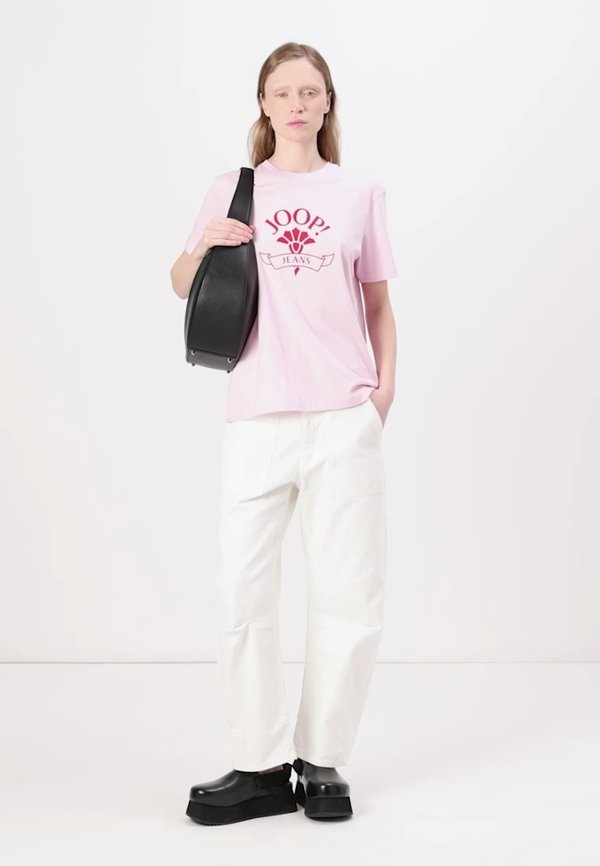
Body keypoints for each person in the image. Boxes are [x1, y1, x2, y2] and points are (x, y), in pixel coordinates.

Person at [170, 42, 398, 825]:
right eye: (282, 92)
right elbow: (180, 281)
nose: (296, 104)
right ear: (263, 105)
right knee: (243, 590)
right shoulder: (235, 189)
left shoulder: (359, 192)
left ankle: (322, 759)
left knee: (347, 593)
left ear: (327, 102)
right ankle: (260, 765)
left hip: (342, 418)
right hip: (258, 418)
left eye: (310, 91)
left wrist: (381, 396)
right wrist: (207, 242)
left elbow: (377, 303)